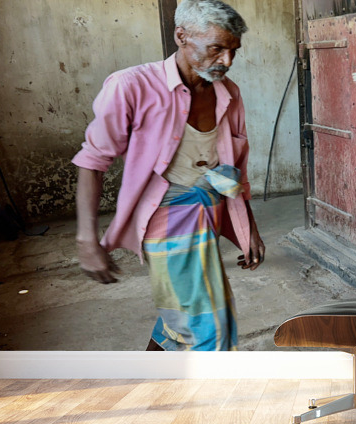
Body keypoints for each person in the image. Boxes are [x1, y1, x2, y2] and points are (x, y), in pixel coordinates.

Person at [72, 0, 264, 351]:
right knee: (210, 324)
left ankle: (153, 375)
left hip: (212, 209)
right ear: (181, 36)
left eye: (233, 50)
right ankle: (210, 399)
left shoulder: (228, 93)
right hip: (166, 216)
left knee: (183, 312)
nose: (227, 61)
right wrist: (87, 240)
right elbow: (92, 161)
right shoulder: (131, 86)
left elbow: (236, 168)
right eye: (216, 49)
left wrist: (247, 228)